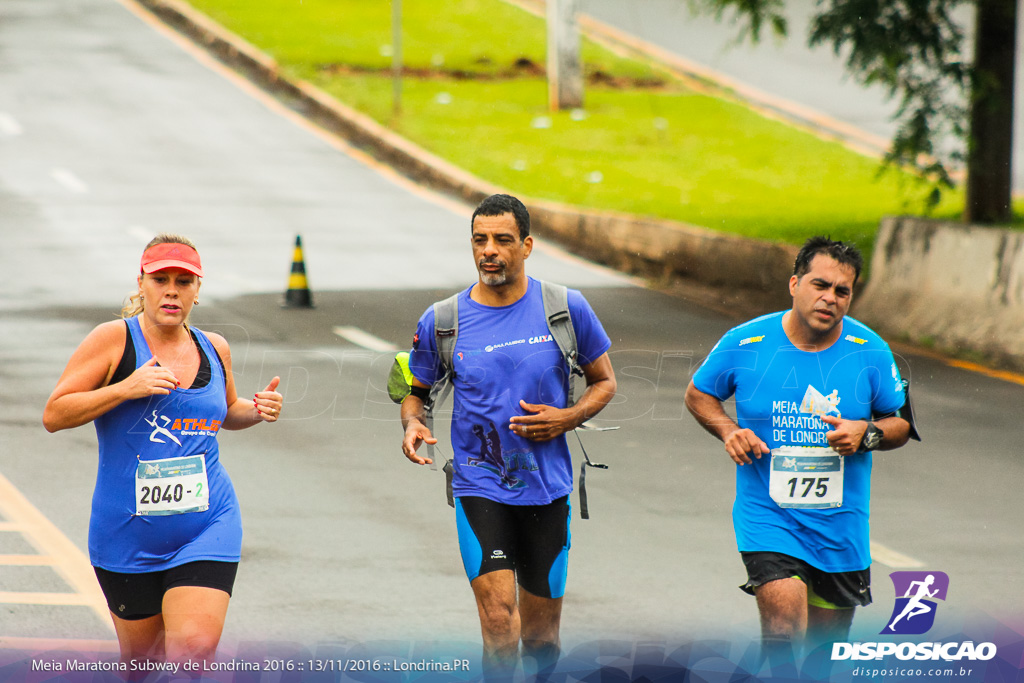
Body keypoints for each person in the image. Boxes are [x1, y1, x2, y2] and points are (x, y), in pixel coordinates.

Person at [400, 194, 617, 679]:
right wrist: (414, 422)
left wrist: (567, 417)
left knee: (541, 639)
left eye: (502, 240)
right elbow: (417, 393)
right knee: (499, 623)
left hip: (548, 487)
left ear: (527, 245)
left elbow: (604, 381)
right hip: (481, 487)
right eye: (479, 240)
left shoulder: (565, 308)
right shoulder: (443, 320)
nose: (489, 251)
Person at [43, 235, 284, 669]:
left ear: (196, 290)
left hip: (208, 522)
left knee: (193, 652)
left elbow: (226, 411)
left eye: (184, 281)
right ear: (141, 284)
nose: (172, 290)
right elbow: (55, 413)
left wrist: (257, 410)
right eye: (161, 279)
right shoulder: (113, 340)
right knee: (142, 665)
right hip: (127, 532)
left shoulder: (214, 346)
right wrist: (124, 388)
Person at [684, 236, 917, 657]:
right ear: (794, 284)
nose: (829, 298)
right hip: (768, 517)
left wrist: (866, 433)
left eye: (841, 291)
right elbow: (699, 394)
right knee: (783, 628)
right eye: (819, 285)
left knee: (819, 657)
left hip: (840, 527)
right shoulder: (746, 342)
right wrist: (728, 431)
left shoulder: (872, 351)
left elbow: (900, 424)